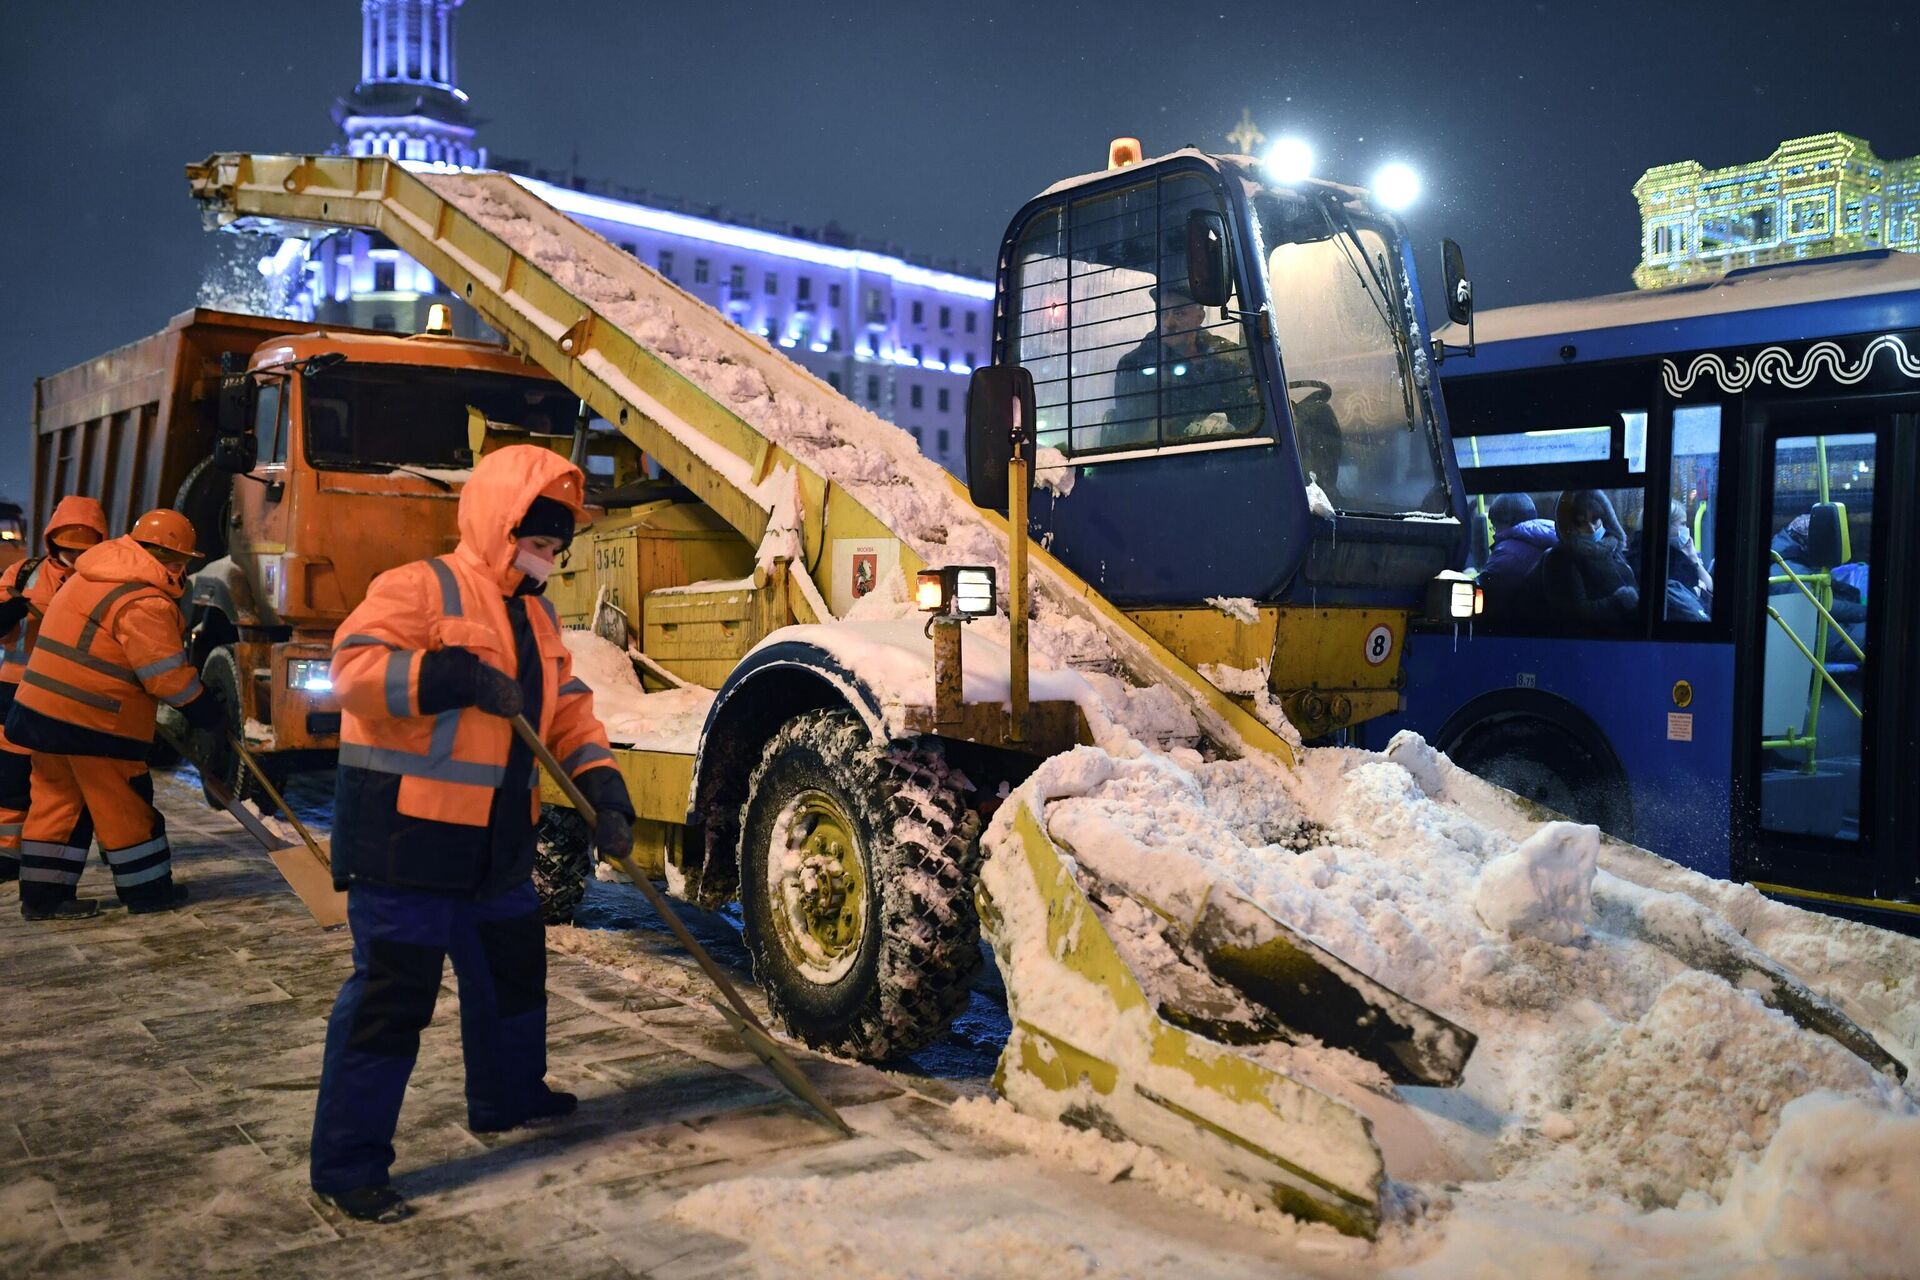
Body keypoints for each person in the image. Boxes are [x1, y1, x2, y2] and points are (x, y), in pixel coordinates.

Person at [309, 444, 636, 1225]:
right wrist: (442, 677)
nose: (548, 557)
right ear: (501, 523)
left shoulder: (539, 615)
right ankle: (349, 1166)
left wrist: (603, 787)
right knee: (393, 1002)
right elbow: (350, 669)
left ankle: (506, 1098)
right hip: (405, 847)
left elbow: (568, 714)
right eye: (539, 540)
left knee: (514, 980)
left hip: (497, 854)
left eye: (558, 547)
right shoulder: (420, 586)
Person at [4, 509, 222, 919]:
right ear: (164, 558)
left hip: (40, 713)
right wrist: (202, 707)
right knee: (124, 806)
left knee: (55, 803)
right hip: (93, 722)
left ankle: (42, 898)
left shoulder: (91, 576)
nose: (182, 571)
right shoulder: (144, 600)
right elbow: (166, 676)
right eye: (180, 562)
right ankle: (148, 892)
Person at [0, 496, 110, 883]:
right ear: (51, 543)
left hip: (73, 697)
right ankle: (6, 857)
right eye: (67, 550)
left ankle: (105, 854)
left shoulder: (105, 582)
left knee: (71, 786)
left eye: (84, 551)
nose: (74, 559)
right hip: (14, 693)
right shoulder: (22, 574)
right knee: (11, 781)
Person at [1109, 280, 1261, 448]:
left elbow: (1250, 415)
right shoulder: (1134, 366)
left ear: (1200, 317)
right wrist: (1191, 428)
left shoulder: (1227, 357)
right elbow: (1136, 433)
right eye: (1163, 314)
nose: (1168, 323)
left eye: (1179, 313)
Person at [1523, 489, 1639, 624]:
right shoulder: (1560, 558)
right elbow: (1576, 612)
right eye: (1581, 523)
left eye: (1595, 520)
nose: (1591, 529)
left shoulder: (1611, 546)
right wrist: (1618, 601)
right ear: (1567, 527)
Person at [1476, 493, 1557, 612]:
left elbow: (1487, 591)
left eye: (1495, 526)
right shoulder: (1552, 534)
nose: (1494, 534)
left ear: (1509, 522)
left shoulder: (1507, 552)